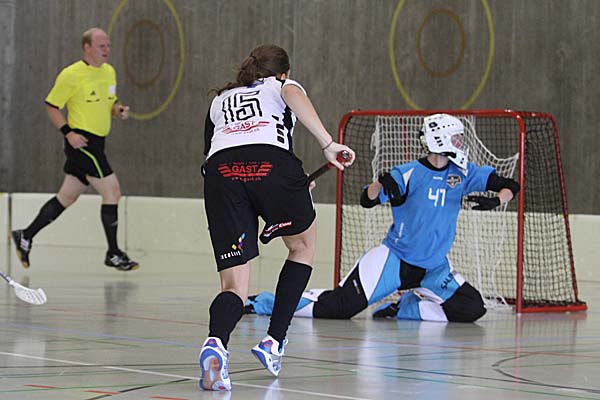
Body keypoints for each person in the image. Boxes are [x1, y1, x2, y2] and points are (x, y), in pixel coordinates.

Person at [244, 113, 520, 323]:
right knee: (339, 308)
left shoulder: (463, 173)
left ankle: (404, 309)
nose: (461, 143)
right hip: (394, 260)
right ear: (440, 139)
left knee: (472, 307)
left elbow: (510, 185)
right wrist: (380, 183)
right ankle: (262, 303)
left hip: (434, 267)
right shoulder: (409, 173)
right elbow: (367, 200)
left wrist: (497, 200)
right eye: (457, 138)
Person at [199, 44, 354, 391]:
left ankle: (216, 343)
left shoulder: (220, 99)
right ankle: (274, 341)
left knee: (234, 287)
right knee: (302, 247)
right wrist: (327, 143)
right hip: (272, 165)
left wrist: (283, 187)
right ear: (283, 72)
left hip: (221, 175)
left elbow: (213, 154)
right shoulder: (281, 85)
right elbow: (292, 95)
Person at [11, 28, 138, 272]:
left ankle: (25, 235)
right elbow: (52, 106)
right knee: (112, 191)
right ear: (87, 47)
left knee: (67, 196)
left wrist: (118, 110)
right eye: (101, 46)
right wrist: (68, 133)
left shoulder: (109, 72)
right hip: (82, 144)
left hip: (98, 142)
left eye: (108, 45)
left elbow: (110, 101)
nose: (107, 50)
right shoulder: (71, 75)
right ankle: (113, 253)